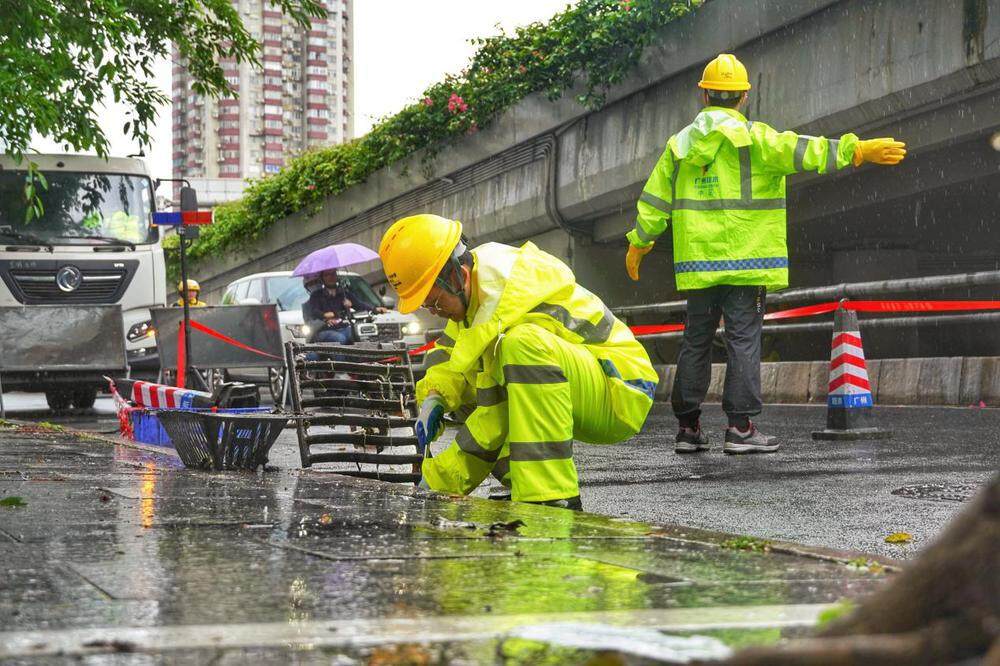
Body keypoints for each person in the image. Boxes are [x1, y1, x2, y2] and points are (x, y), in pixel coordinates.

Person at [624, 53, 906, 455]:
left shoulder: (679, 146)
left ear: (704, 96)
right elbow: (805, 150)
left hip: (699, 265)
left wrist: (640, 241)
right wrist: (856, 150)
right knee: (743, 342)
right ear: (742, 98)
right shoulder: (758, 139)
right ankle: (739, 429)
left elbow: (654, 200)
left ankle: (688, 428)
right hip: (747, 262)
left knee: (696, 340)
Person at [379, 214, 658, 510]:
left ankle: (550, 496)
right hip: (585, 381)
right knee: (463, 384)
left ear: (457, 276)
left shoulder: (506, 305)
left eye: (434, 302)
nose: (434, 312)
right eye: (426, 305)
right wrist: (435, 397)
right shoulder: (475, 290)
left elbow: (493, 418)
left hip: (620, 388)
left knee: (521, 346)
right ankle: (522, 479)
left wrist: (437, 483)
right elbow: (449, 357)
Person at [302, 268, 386, 344]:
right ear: (322, 278)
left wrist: (375, 309)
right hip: (324, 330)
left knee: (357, 335)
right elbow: (314, 311)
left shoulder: (343, 293)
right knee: (340, 338)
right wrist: (324, 316)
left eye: (333, 274)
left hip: (343, 327)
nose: (331, 277)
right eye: (327, 275)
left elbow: (359, 305)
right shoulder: (316, 295)